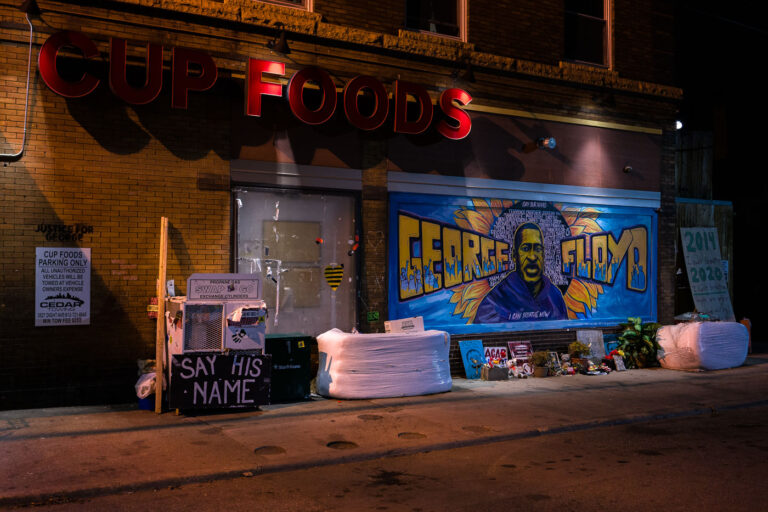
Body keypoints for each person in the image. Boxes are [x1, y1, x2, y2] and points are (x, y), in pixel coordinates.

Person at [474, 222, 567, 323]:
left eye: (537, 249)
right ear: (514, 256)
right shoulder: (494, 302)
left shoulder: (555, 296)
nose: (532, 257)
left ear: (543, 255)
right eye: (525, 249)